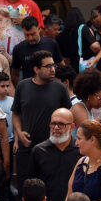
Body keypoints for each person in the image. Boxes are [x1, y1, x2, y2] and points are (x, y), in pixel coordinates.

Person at [15, 51, 71, 180]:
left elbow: (68, 115)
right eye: (48, 66)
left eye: (53, 65)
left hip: (53, 148)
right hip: (27, 148)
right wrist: (19, 132)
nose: (52, 69)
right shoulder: (22, 86)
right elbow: (16, 113)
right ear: (36, 69)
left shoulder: (60, 88)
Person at [27, 108, 81, 201]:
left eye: (61, 124)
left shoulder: (80, 151)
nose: (56, 127)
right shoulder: (38, 151)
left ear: (72, 127)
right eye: (53, 123)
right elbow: (32, 185)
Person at [14, 16, 65, 83]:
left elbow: (62, 66)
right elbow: (15, 75)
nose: (30, 38)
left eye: (33, 34)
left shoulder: (51, 43)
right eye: (27, 35)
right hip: (30, 89)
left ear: (39, 29)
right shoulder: (18, 49)